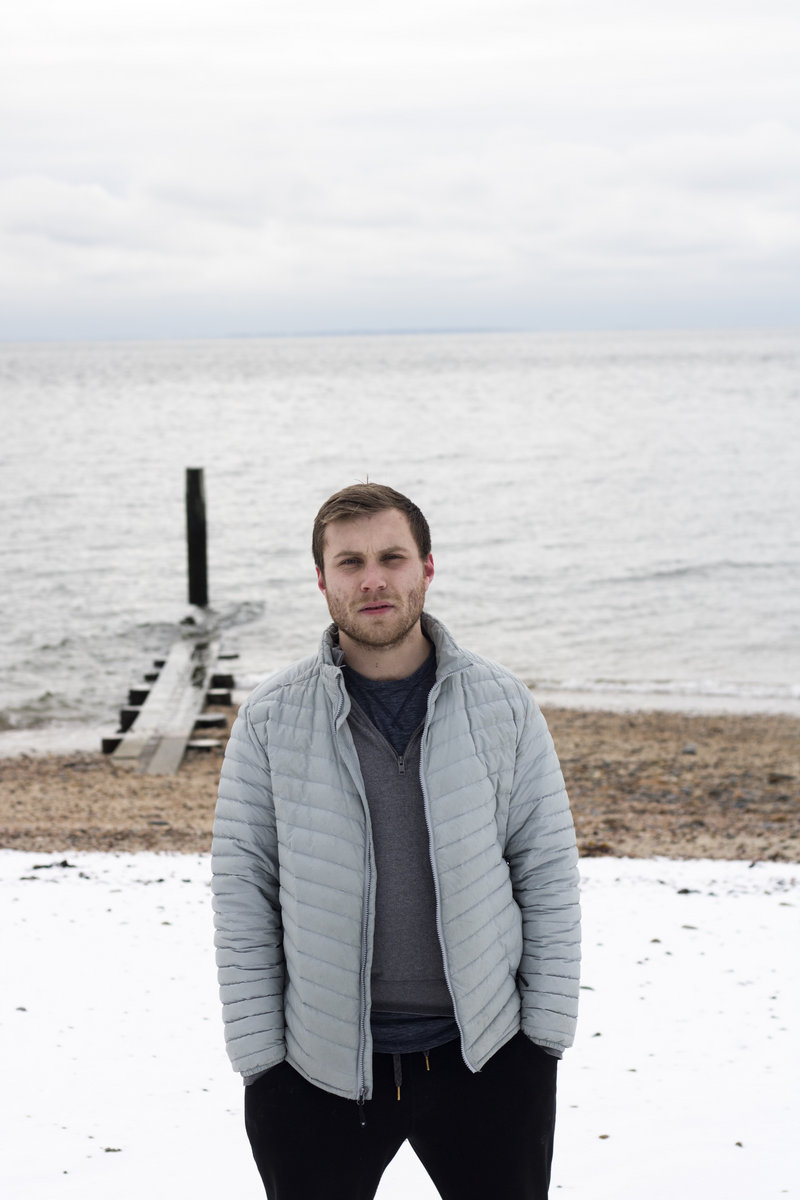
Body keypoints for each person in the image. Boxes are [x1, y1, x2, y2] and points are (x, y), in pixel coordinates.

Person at [212, 482, 581, 1200]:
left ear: (427, 568)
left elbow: (546, 874)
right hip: (317, 1068)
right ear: (322, 579)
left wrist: (543, 1040)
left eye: (392, 557)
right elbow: (243, 892)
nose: (373, 580)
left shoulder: (503, 705)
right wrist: (261, 1061)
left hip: (489, 1056)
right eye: (349, 562)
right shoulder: (269, 720)